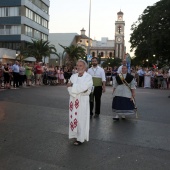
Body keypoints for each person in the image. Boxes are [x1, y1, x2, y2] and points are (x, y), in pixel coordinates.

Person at [67, 59, 93, 146]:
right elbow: (68, 87)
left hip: (82, 101)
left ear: (85, 67)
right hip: (73, 100)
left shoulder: (88, 77)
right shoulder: (73, 76)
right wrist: (77, 90)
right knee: (73, 118)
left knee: (81, 118)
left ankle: (80, 138)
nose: (78, 67)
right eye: (77, 65)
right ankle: (74, 134)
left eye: (80, 65)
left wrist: (74, 86)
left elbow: (85, 88)